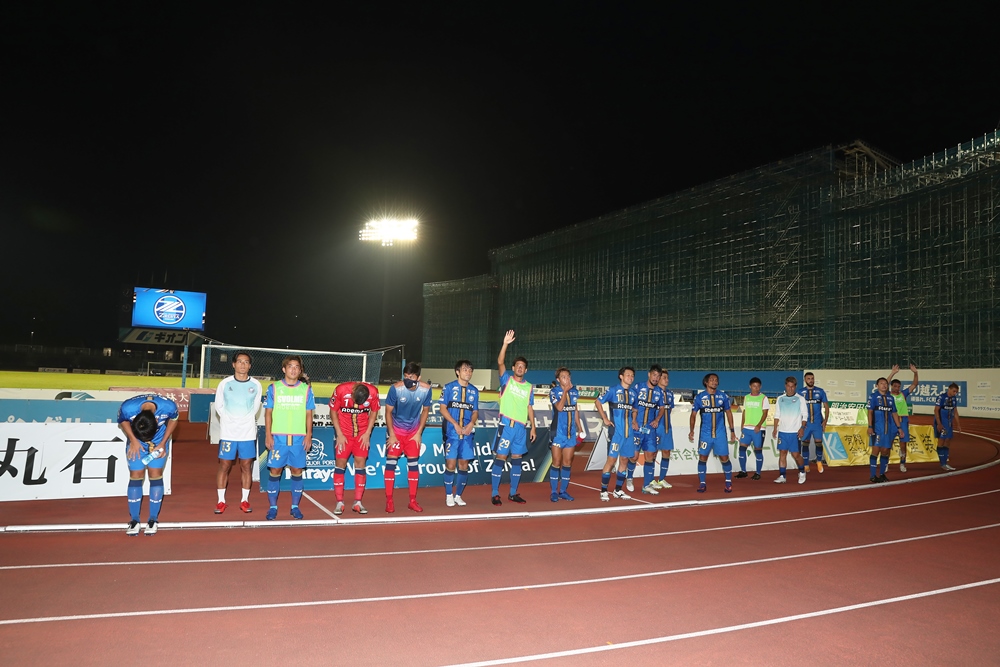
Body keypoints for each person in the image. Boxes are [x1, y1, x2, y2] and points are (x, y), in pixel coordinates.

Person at [118, 393, 179, 535]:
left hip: (159, 442)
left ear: (156, 420)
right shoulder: (128, 408)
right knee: (135, 475)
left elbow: (174, 420)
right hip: (136, 441)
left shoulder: (168, 406)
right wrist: (134, 440)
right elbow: (122, 421)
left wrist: (163, 443)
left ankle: (153, 519)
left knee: (155, 474)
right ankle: (134, 520)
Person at [263, 356, 315, 520]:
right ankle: (273, 507)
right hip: (278, 438)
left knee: (297, 471)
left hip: (299, 438)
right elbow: (268, 413)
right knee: (275, 471)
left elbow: (309, 414)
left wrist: (309, 435)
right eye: (290, 366)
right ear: (284, 369)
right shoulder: (274, 388)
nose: (293, 369)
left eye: (297, 367)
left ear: (300, 370)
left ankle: (295, 507)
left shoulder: (306, 389)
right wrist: (268, 434)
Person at [490, 330, 537, 505]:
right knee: (501, 458)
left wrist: (533, 427)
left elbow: (529, 407)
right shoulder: (506, 381)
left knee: (517, 460)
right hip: (506, 426)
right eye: (517, 365)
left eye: (522, 366)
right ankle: (495, 493)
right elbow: (500, 362)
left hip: (521, 428)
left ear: (526, 370)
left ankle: (513, 493)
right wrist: (505, 344)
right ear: (513, 368)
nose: (520, 368)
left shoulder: (529, 387)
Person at [213, 351, 262, 514]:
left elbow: (255, 407)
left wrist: (243, 420)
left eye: (246, 362)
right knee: (224, 465)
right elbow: (219, 406)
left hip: (247, 433)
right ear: (233, 364)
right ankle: (221, 501)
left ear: (250, 366)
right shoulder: (225, 383)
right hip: (228, 433)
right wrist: (231, 420)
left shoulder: (256, 385)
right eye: (240, 361)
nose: (243, 365)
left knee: (246, 466)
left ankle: (245, 500)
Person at [384, 362, 433, 513]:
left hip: (413, 433)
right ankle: (389, 501)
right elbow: (388, 412)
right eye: (405, 376)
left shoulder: (426, 389)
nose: (407, 379)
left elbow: (425, 411)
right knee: (391, 464)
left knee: (413, 465)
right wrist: (392, 434)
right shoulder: (396, 389)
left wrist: (418, 433)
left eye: (411, 377)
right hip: (396, 432)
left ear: (419, 377)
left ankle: (412, 501)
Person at [329, 378, 380, 515]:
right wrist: (339, 433)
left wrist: (367, 433)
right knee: (340, 464)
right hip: (344, 434)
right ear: (352, 393)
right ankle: (339, 502)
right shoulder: (341, 389)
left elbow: (374, 411)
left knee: (360, 465)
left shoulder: (373, 392)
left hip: (361, 434)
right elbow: (333, 411)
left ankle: (358, 502)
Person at [688, 373, 737, 493]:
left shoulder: (723, 396)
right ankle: (702, 483)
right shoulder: (699, 397)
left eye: (716, 380)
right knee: (702, 457)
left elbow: (729, 413)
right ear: (706, 382)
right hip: (705, 434)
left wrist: (732, 431)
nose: (714, 382)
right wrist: (691, 430)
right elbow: (693, 415)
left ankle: (728, 482)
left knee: (724, 458)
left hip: (720, 434)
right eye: (711, 380)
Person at [441, 360, 479, 507]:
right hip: (452, 432)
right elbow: (442, 408)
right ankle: (448, 495)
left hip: (467, 433)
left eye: (470, 370)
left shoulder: (474, 391)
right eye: (465, 370)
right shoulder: (449, 387)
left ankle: (458, 495)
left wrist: (471, 424)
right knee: (450, 464)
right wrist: (455, 424)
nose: (468, 373)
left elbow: (475, 412)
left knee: (463, 465)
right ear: (457, 372)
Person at [596, 367, 636, 500]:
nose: (630, 377)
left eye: (632, 375)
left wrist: (634, 420)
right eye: (628, 375)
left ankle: (618, 490)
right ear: (621, 376)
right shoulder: (613, 390)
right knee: (611, 461)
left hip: (628, 434)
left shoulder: (633, 393)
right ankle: (603, 490)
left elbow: (635, 409)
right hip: (616, 433)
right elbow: (598, 402)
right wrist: (605, 418)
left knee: (624, 460)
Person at [549, 367, 584, 501]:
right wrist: (565, 391)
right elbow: (559, 407)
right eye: (564, 377)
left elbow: (575, 410)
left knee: (567, 462)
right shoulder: (554, 392)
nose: (567, 379)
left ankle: (563, 491)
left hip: (571, 433)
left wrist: (580, 427)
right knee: (556, 462)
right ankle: (553, 491)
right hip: (558, 433)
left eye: (568, 376)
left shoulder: (574, 392)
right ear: (558, 380)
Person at [630, 365, 666, 495]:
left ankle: (646, 485)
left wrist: (657, 419)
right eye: (654, 375)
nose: (656, 378)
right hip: (636, 427)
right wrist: (633, 420)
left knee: (650, 456)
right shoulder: (638, 387)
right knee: (633, 457)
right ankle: (629, 478)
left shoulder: (659, 392)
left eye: (658, 376)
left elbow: (662, 408)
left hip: (650, 430)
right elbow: (631, 404)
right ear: (649, 374)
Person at [772, 377, 808, 484]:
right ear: (785, 386)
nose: (790, 388)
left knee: (795, 455)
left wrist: (802, 428)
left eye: (792, 386)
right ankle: (782, 476)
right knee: (782, 453)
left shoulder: (800, 399)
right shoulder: (780, 399)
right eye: (788, 386)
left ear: (795, 387)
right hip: (783, 432)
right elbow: (777, 415)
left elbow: (805, 415)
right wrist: (775, 428)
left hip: (795, 432)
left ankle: (802, 472)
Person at [867, 377, 901, 483]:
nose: (884, 385)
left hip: (888, 430)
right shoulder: (873, 396)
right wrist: (870, 426)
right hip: (877, 429)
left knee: (885, 451)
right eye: (881, 383)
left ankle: (882, 474)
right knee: (875, 451)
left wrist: (899, 428)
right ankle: (873, 475)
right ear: (877, 386)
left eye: (885, 383)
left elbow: (894, 413)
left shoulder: (890, 398)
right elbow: (870, 412)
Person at [886, 364, 919, 472]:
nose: (897, 388)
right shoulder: (888, 395)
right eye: (895, 386)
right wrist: (892, 373)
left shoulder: (903, 394)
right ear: (891, 386)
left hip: (903, 421)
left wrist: (915, 373)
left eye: (898, 386)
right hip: (891, 421)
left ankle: (902, 463)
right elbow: (885, 384)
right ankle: (885, 463)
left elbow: (914, 384)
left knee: (903, 444)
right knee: (888, 444)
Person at [736, 377, 770, 480]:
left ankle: (758, 473)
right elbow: (745, 411)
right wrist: (742, 424)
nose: (756, 388)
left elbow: (765, 413)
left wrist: (759, 425)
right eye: (754, 386)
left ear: (760, 387)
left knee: (758, 451)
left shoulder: (764, 398)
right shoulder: (746, 397)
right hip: (747, 428)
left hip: (758, 429)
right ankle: (743, 471)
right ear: (750, 386)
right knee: (742, 450)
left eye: (758, 386)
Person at [799, 372, 829, 473]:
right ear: (805, 380)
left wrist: (825, 420)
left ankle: (819, 461)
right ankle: (806, 464)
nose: (811, 380)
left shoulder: (820, 391)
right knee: (805, 443)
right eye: (808, 379)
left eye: (812, 378)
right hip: (806, 423)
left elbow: (826, 406)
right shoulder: (800, 392)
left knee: (819, 443)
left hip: (817, 422)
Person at [652, 369, 675, 489]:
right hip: (655, 427)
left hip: (667, 427)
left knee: (666, 452)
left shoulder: (670, 394)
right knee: (652, 453)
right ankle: (650, 479)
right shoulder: (653, 392)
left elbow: (670, 409)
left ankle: (661, 479)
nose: (667, 380)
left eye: (667, 377)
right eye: (664, 377)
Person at [934, 383, 962, 471]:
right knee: (941, 441)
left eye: (956, 392)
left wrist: (958, 424)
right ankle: (942, 463)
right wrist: (939, 423)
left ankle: (945, 462)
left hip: (949, 423)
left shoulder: (954, 399)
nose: (955, 393)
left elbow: (955, 411)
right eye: (954, 391)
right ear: (949, 389)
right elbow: (936, 410)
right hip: (942, 423)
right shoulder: (941, 397)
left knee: (948, 441)